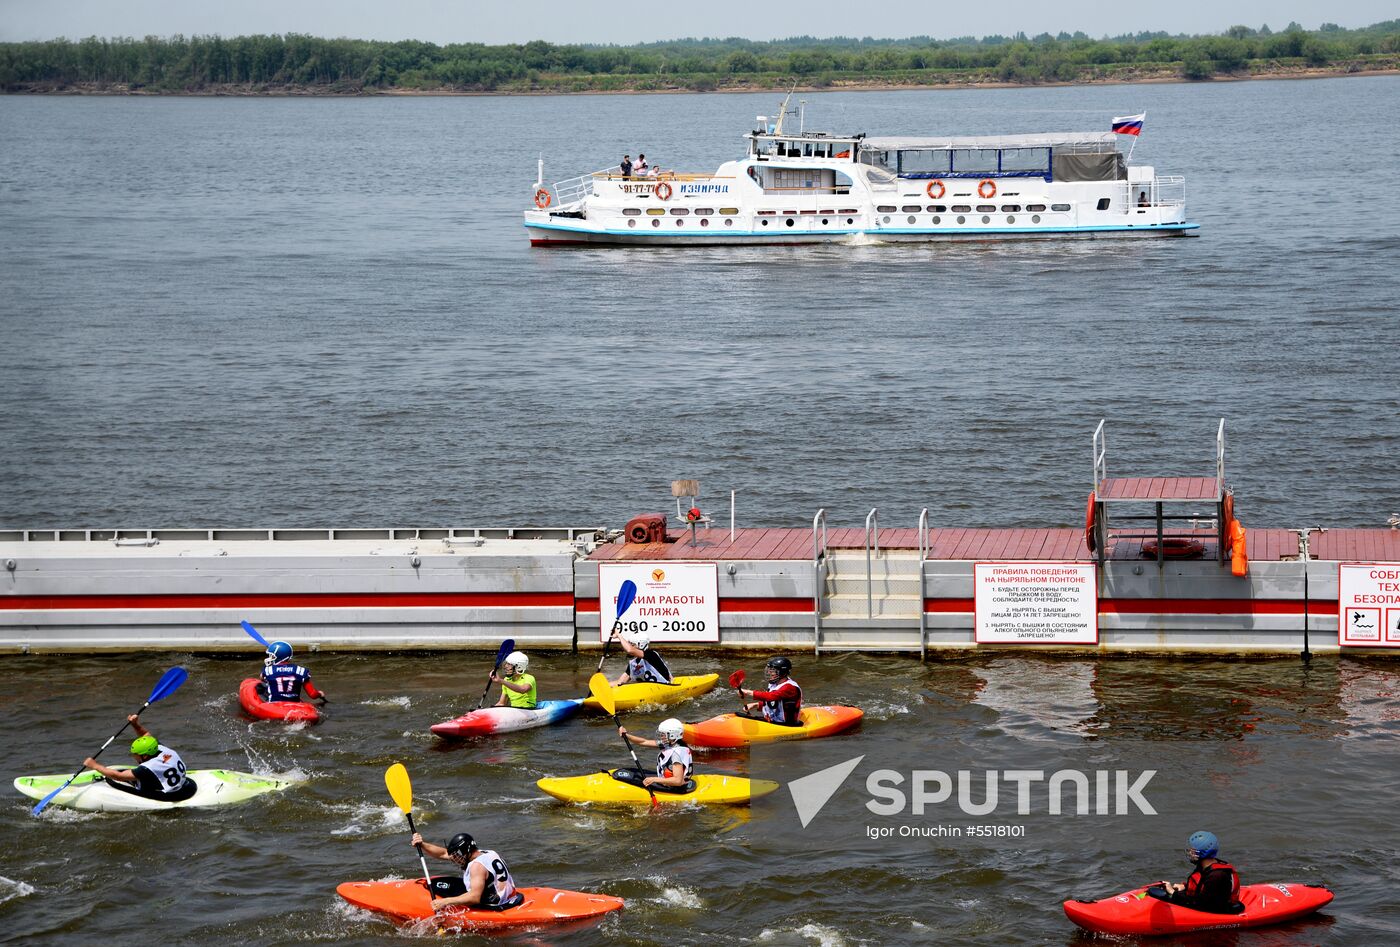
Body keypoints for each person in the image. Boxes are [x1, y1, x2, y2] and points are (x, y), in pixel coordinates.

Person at [83, 715, 197, 801]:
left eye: (135, 754)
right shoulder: (162, 748)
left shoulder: (147, 769)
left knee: (112, 780)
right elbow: (145, 735)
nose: (134, 756)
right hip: (186, 787)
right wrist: (135, 724)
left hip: (169, 795)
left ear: (145, 755)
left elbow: (118, 776)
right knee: (128, 774)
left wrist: (94, 765)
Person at [409, 831, 524, 911]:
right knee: (447, 883)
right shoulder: (488, 853)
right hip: (508, 896)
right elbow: (444, 853)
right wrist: (422, 844)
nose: (455, 859)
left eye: (457, 855)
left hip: (493, 904)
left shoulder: (476, 866)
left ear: (466, 852)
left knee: (440, 888)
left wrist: (444, 902)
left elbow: (474, 898)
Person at [1155, 831, 1242, 914]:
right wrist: (1184, 887)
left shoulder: (1217, 875)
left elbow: (1201, 904)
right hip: (1207, 902)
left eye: (1192, 851)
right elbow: (1203, 886)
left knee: (1168, 897)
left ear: (1202, 853)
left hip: (1216, 910)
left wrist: (1173, 893)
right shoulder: (1205, 866)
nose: (1190, 852)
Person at [616, 718, 693, 792]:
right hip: (667, 780)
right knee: (634, 772)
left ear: (673, 735)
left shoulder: (676, 754)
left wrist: (653, 779)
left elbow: (677, 781)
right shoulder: (670, 744)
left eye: (664, 734)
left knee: (634, 780)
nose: (662, 736)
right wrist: (626, 735)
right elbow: (643, 742)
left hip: (674, 787)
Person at [737, 657, 803, 727]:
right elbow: (774, 703)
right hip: (774, 721)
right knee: (739, 714)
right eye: (769, 670)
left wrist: (748, 692)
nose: (769, 673)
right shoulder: (774, 684)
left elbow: (771, 696)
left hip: (786, 725)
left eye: (773, 671)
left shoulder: (790, 687)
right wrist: (756, 705)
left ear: (782, 672)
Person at [260, 640, 327, 705]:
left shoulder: (268, 670)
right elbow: (312, 695)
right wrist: (320, 694)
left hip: (274, 706)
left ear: (278, 656)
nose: (270, 658)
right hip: (295, 706)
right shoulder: (300, 670)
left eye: (272, 656)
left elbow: (262, 678)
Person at [608, 630, 673, 687]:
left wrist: (619, 635)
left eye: (632, 644)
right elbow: (619, 682)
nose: (630, 646)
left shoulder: (651, 655)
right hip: (647, 692)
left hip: (664, 687)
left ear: (641, 645)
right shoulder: (633, 663)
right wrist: (602, 687)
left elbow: (630, 650)